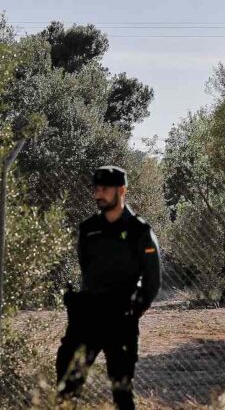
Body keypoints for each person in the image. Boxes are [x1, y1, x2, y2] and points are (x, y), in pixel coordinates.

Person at [56, 165, 161, 410]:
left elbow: (152, 281)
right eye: (96, 189)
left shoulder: (139, 231)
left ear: (122, 190)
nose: (98, 194)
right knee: (67, 385)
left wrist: (134, 311)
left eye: (105, 189)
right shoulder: (88, 229)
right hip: (88, 318)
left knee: (122, 392)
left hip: (120, 320)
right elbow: (87, 269)